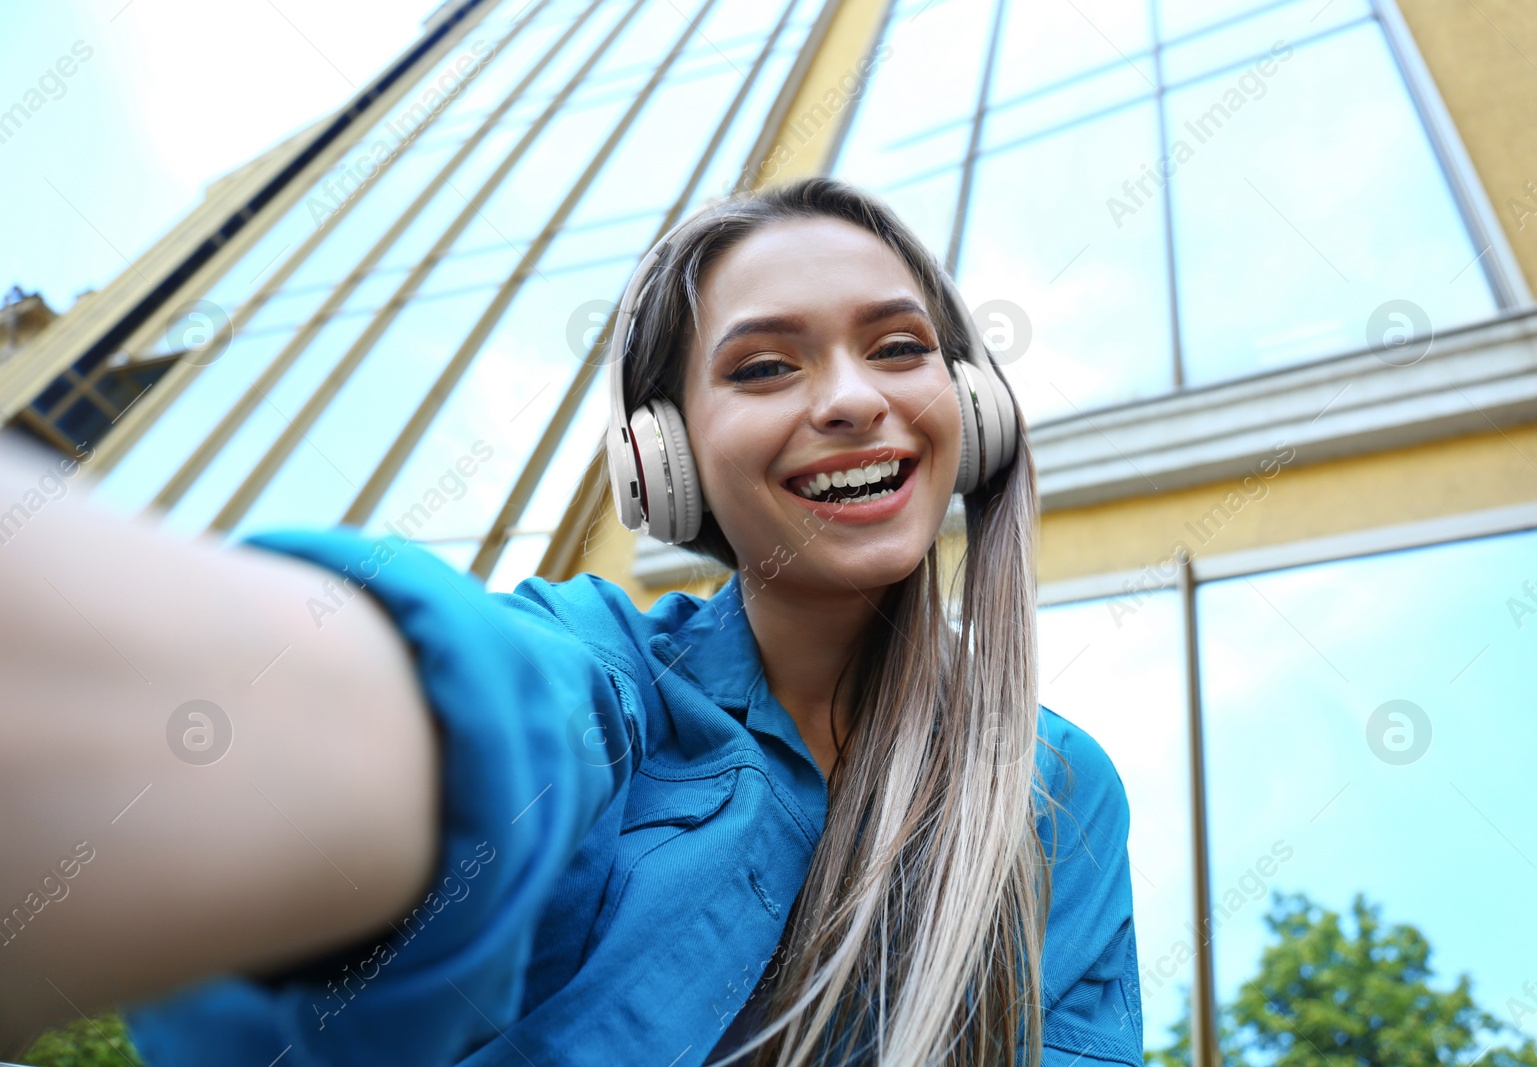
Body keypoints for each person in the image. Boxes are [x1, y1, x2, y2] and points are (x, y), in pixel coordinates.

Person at [0, 176, 1141, 1066]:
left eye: (897, 346)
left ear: (975, 413)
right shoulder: (605, 670)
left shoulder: (1059, 791)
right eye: (762, 366)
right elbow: (478, 715)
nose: (849, 397)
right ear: (665, 465)